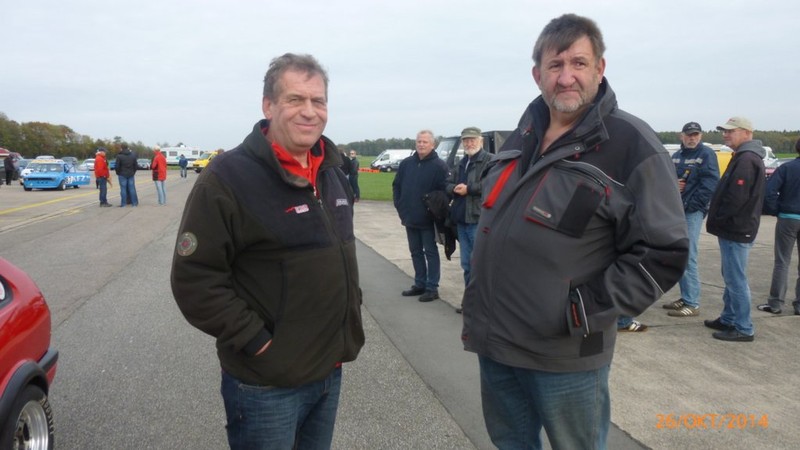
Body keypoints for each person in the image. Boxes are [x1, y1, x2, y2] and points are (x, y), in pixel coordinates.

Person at [460, 14, 688, 449]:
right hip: (497, 346)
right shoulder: (520, 138)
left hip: (565, 356)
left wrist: (583, 309)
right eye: (555, 65)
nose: (566, 77)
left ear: (600, 68)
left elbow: (664, 251)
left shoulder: (631, 145)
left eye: (579, 63)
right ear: (537, 75)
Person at [170, 53, 364, 449]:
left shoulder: (331, 170)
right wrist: (257, 341)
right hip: (267, 384)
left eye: (318, 101)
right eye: (295, 99)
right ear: (268, 106)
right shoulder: (227, 178)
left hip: (329, 368)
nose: (309, 111)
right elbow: (195, 279)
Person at [704, 117, 765, 342]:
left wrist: (719, 218)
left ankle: (744, 327)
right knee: (730, 276)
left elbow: (736, 198)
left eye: (731, 131)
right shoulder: (742, 156)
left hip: (737, 228)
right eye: (724, 131)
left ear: (747, 133)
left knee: (736, 279)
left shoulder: (746, 159)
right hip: (735, 227)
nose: (725, 135)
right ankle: (729, 318)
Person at [663, 122, 720, 317]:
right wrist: (673, 184)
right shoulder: (677, 156)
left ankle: (692, 303)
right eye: (689, 135)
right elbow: (667, 179)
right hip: (677, 210)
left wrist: (693, 205)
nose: (692, 138)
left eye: (695, 135)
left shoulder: (706, 154)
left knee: (689, 255)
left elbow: (710, 184)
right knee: (680, 254)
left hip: (691, 212)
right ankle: (686, 297)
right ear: (682, 136)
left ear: (701, 136)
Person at [393, 129, 449, 302]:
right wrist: (400, 206)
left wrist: (433, 208)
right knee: (415, 252)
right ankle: (420, 283)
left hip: (428, 219)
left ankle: (432, 287)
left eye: (425, 142)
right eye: (419, 141)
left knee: (430, 252)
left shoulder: (439, 166)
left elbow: (445, 192)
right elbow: (397, 186)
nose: (421, 144)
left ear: (432, 145)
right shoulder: (406, 164)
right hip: (409, 217)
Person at [445, 126, 490, 314]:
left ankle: (480, 305)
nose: (469, 143)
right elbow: (447, 183)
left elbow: (492, 184)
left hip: (478, 220)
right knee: (466, 264)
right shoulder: (462, 162)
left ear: (481, 141)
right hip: (462, 220)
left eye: (472, 140)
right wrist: (454, 188)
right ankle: (470, 302)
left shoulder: (490, 161)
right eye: (466, 140)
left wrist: (469, 189)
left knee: (479, 264)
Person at [759, 137, 800, 316]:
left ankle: (776, 303)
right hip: (790, 215)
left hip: (788, 217)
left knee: (782, 261)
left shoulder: (786, 168)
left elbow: (769, 192)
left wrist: (776, 210)